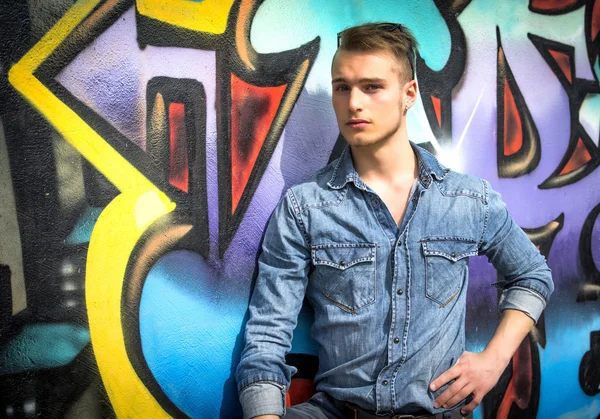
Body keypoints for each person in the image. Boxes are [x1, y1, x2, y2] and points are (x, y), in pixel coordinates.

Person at [235, 22, 553, 419]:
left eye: (372, 87)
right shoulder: (306, 207)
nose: (353, 103)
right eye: (342, 87)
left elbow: (533, 275)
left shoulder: (467, 200)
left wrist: (494, 360)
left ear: (409, 95)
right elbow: (266, 337)